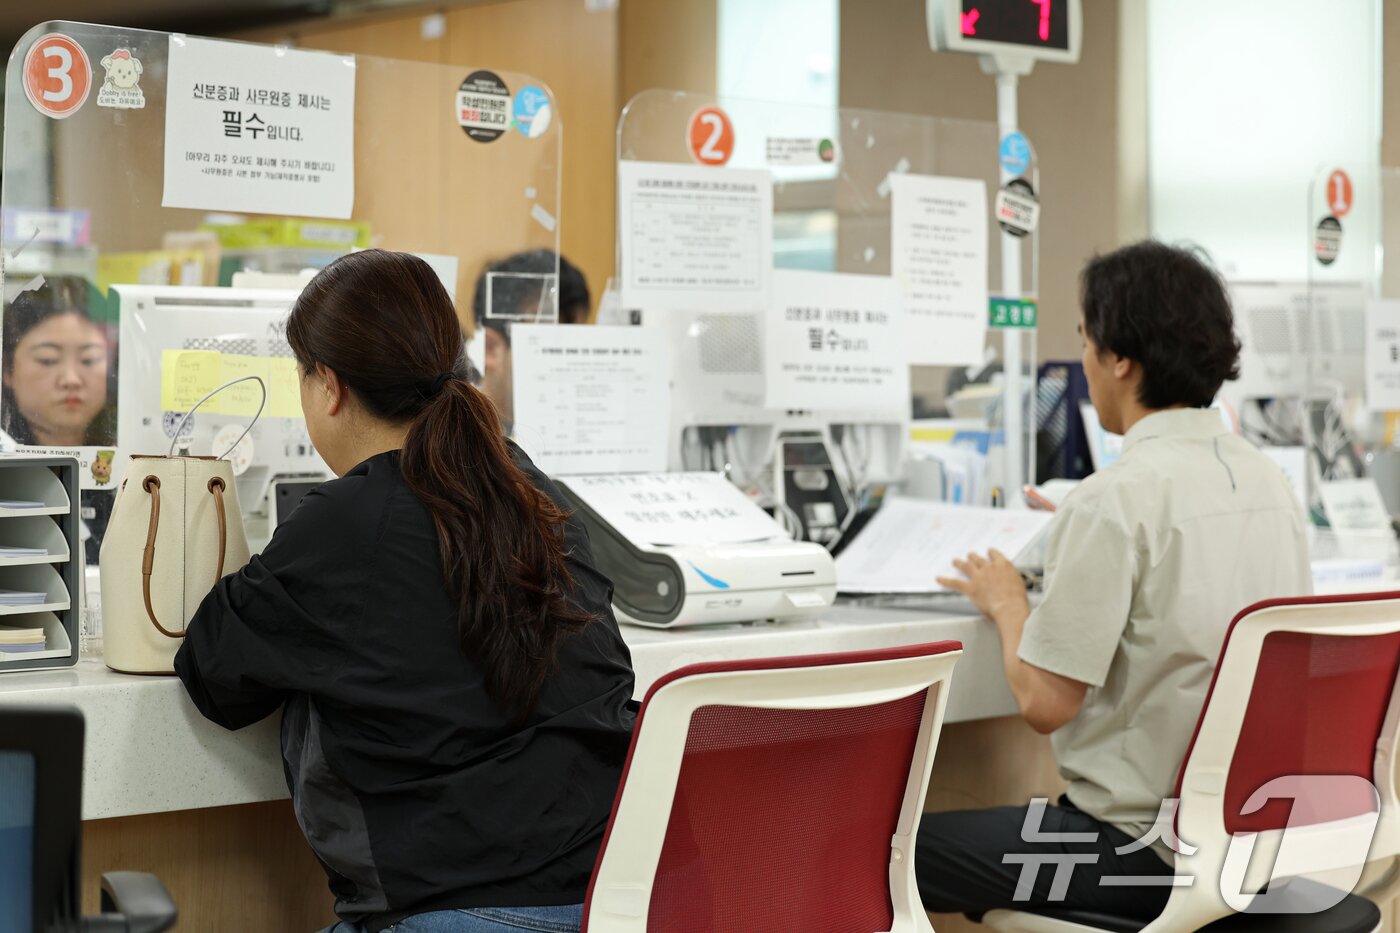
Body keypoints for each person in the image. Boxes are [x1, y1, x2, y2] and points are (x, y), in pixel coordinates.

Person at [172, 249, 636, 933]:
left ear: (327, 385)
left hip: (453, 913)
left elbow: (212, 671)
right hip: (613, 901)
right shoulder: (529, 488)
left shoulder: (347, 522)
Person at [915, 242, 1311, 921]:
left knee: (893, 849)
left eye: (1085, 340)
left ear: (1120, 358)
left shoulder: (1113, 501)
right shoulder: (1270, 481)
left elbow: (1044, 701)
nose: (1085, 362)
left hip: (1133, 858)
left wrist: (1011, 603)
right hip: (1251, 848)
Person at [471, 249, 591, 434]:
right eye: (547, 348)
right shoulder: (455, 444)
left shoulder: (573, 432)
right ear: (491, 348)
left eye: (574, 348)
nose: (567, 366)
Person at [2, 276, 116, 448]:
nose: (71, 380)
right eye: (48, 360)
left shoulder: (133, 452)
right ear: (8, 370)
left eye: (89, 359)